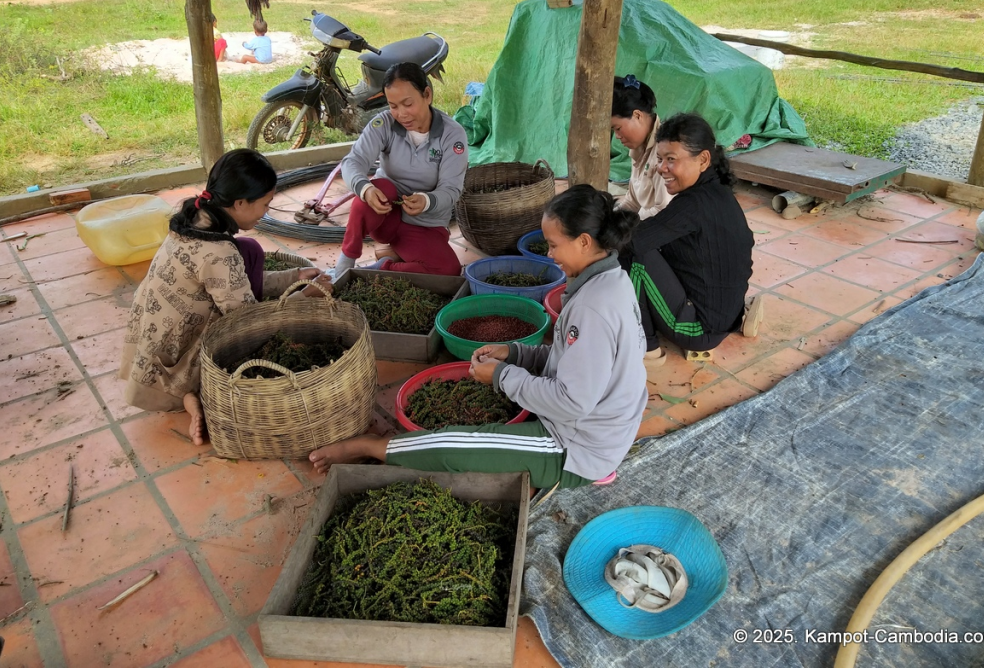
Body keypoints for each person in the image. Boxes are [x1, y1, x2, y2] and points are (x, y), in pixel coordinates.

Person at [309, 185, 648, 488]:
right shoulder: (611, 281)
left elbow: (571, 402)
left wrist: (501, 376)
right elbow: (573, 361)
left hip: (577, 448)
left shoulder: (592, 309)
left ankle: (369, 445)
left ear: (585, 242)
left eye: (554, 245)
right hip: (600, 428)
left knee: (461, 444)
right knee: (504, 404)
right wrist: (515, 354)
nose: (549, 255)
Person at [119, 149, 326, 445]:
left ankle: (189, 396)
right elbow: (247, 321)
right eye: (265, 204)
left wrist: (291, 278)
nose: (266, 212)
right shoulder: (219, 252)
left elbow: (228, 283)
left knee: (250, 250)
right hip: (176, 361)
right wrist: (306, 296)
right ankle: (192, 395)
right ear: (240, 203)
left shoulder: (193, 218)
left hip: (153, 346)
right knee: (252, 340)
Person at [622, 112, 763, 368]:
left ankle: (647, 347)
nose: (661, 168)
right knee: (649, 243)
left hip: (698, 330)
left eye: (671, 160)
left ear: (703, 160)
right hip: (724, 315)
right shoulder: (716, 192)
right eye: (660, 159)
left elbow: (633, 241)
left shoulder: (693, 204)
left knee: (633, 254)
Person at [332, 62, 468, 277]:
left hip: (425, 224)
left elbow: (451, 190)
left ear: (427, 95)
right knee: (379, 187)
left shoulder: (452, 135)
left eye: (408, 103)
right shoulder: (383, 124)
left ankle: (381, 270)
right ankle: (344, 265)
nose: (401, 114)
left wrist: (427, 200)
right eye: (393, 106)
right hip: (386, 216)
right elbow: (353, 162)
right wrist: (366, 189)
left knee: (448, 271)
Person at [611, 74, 671, 220]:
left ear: (637, 115)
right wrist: (610, 219)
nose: (617, 136)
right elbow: (632, 202)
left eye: (618, 128)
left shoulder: (664, 151)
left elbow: (663, 211)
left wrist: (624, 229)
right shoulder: (639, 147)